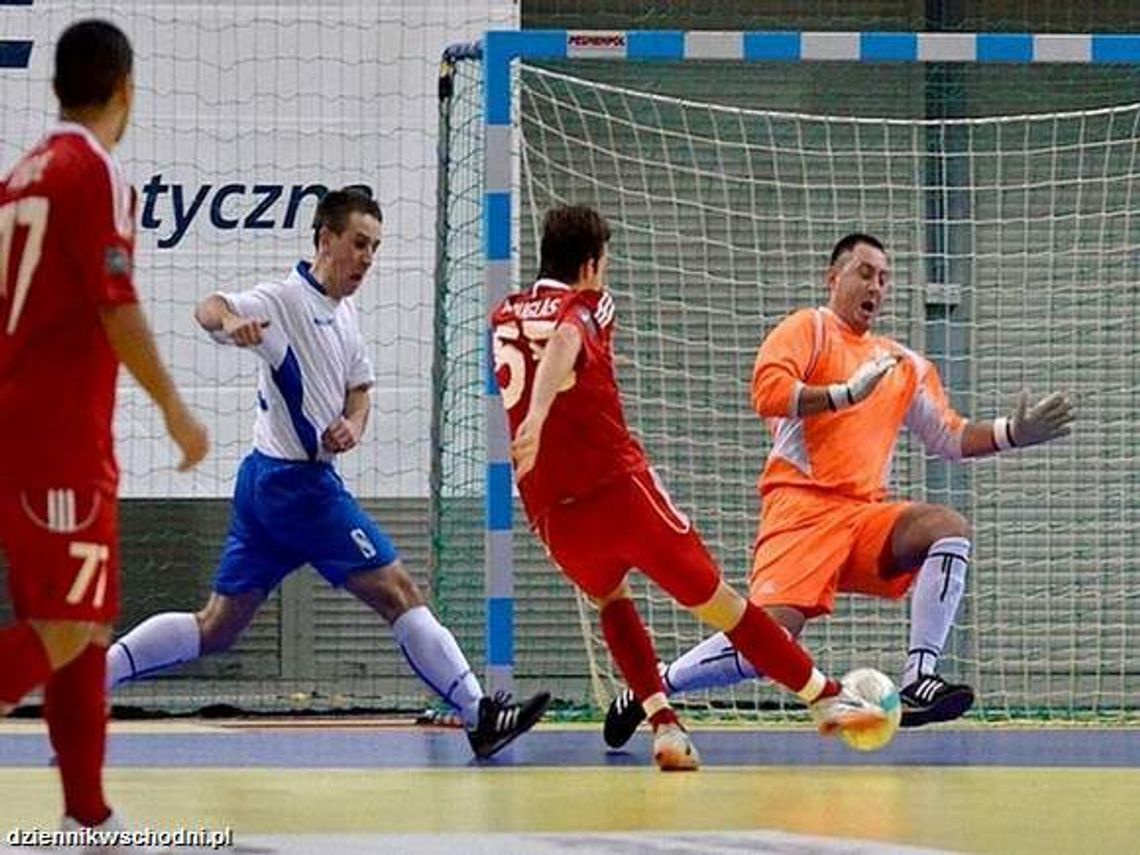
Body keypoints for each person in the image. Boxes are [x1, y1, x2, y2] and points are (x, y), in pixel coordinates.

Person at [105, 187, 550, 759]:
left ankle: (95, 677)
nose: (367, 258)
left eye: (375, 248)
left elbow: (360, 389)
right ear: (325, 239)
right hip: (297, 490)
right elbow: (208, 307)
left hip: (267, 483)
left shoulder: (345, 310)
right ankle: (477, 713)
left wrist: (354, 425)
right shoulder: (285, 299)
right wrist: (233, 321)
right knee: (399, 591)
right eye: (359, 244)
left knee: (217, 625)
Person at [602, 232, 1075, 749]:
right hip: (800, 514)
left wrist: (1013, 432)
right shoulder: (809, 329)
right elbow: (767, 392)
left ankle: (919, 679)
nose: (876, 286)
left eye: (884, 279)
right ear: (834, 278)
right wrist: (845, 394)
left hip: (863, 518)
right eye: (865, 273)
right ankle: (654, 684)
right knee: (768, 644)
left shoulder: (902, 364)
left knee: (947, 529)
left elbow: (950, 437)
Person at [493, 204, 887, 772]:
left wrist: (533, 423)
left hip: (550, 508)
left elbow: (548, 349)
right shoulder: (589, 303)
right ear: (591, 265)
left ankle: (665, 727)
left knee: (611, 599)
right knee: (727, 607)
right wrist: (536, 416)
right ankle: (824, 697)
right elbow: (565, 340)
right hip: (618, 491)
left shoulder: (502, 314)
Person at [0, 19, 210, 833]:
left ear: (58, 86)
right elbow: (114, 303)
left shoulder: (20, 175)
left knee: (84, 628)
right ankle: (88, 817)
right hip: (57, 438)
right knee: (65, 628)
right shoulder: (93, 171)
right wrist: (175, 410)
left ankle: (89, 817)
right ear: (126, 88)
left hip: (34, 428)